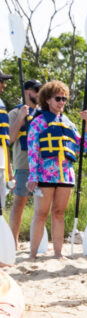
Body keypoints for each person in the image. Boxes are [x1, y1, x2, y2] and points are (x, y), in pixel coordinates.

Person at [26, 80, 87, 259]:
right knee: (41, 214)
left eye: (64, 99)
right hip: (44, 174)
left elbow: (83, 147)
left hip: (65, 174)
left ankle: (57, 253)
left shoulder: (68, 123)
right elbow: (33, 149)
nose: (62, 102)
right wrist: (33, 175)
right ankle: (33, 254)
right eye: (58, 98)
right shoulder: (38, 122)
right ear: (47, 99)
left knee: (59, 213)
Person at [8, 78, 42, 248]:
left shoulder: (43, 113)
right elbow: (9, 139)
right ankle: (12, 242)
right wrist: (21, 117)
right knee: (19, 205)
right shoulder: (14, 113)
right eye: (37, 90)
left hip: (43, 167)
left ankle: (38, 242)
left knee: (42, 207)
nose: (39, 93)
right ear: (28, 91)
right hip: (23, 166)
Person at [0, 70, 14, 215]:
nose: (3, 85)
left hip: (1, 158)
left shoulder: (1, 103)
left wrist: (9, 166)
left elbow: (5, 139)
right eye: (1, 81)